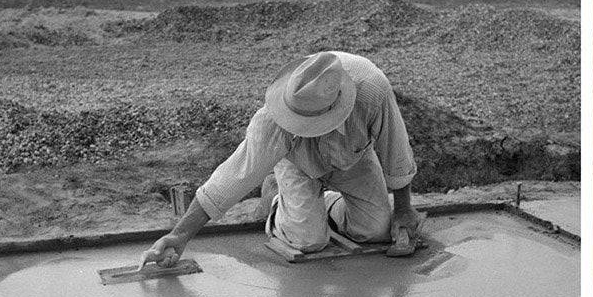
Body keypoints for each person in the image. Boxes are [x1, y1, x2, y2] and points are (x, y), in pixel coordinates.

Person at [140, 51, 420, 267]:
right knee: (309, 241)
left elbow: (396, 151)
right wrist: (179, 236)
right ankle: (276, 203)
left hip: (352, 157)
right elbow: (231, 178)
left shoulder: (372, 90)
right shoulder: (273, 121)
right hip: (298, 164)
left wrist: (404, 209)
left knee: (376, 230)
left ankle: (329, 204)